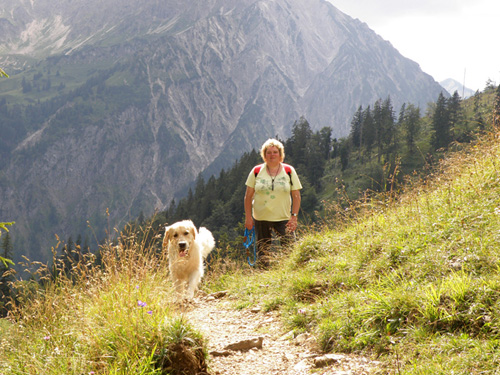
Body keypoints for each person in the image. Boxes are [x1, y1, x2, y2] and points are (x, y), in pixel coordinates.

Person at [244, 138, 302, 267]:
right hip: (261, 218)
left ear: (280, 155)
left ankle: (292, 273)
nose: (272, 155)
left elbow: (296, 195)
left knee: (290, 249)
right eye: (268, 152)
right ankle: (263, 278)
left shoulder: (289, 171)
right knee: (263, 252)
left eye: (275, 152)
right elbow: (248, 196)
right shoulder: (256, 171)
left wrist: (294, 217)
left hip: (283, 218)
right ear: (264, 155)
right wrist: (248, 218)